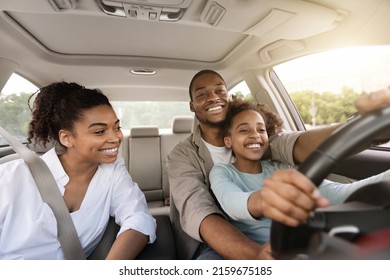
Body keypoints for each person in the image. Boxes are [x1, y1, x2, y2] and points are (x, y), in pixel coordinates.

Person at [166, 69, 390, 260]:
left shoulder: (264, 144)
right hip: (221, 240)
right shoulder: (185, 157)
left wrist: (368, 126)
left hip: (281, 233)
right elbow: (200, 212)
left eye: (219, 90)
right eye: (202, 94)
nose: (213, 97)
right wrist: (257, 254)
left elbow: (300, 144)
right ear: (192, 106)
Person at [0, 82, 156, 260]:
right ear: (66, 138)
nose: (115, 138)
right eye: (99, 131)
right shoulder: (10, 177)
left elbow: (138, 219)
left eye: (117, 127)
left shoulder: (113, 174)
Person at [209, 97, 390, 246]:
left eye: (261, 129)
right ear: (228, 141)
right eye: (244, 130)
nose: (255, 135)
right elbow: (231, 203)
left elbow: (337, 193)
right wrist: (266, 199)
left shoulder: (280, 168)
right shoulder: (222, 172)